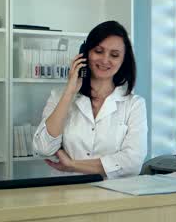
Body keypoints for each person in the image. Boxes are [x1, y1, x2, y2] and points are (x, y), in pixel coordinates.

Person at [32, 20, 147, 179]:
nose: (105, 60)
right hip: (65, 194)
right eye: (98, 51)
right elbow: (43, 148)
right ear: (85, 54)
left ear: (123, 60)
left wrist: (72, 165)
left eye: (114, 55)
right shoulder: (59, 97)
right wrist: (70, 92)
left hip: (113, 196)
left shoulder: (134, 104)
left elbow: (132, 163)